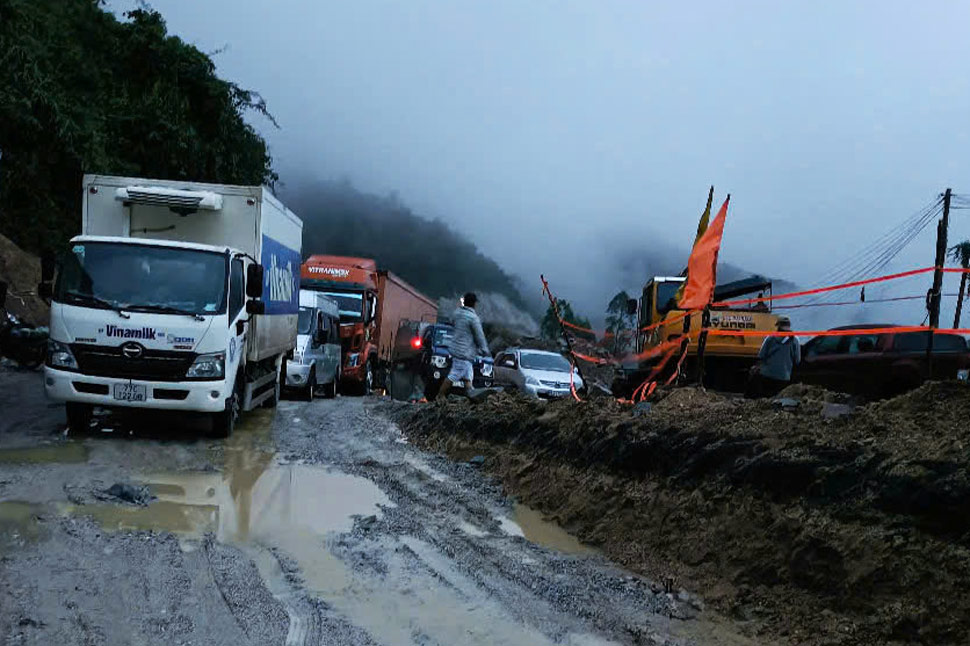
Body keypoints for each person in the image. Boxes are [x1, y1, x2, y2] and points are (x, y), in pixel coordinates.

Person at [437, 292, 490, 400]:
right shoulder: (473, 318)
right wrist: (484, 350)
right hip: (464, 352)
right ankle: (440, 395)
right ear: (474, 304)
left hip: (457, 349)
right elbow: (479, 335)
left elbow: (451, 322)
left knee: (467, 377)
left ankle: (472, 396)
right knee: (454, 375)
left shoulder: (457, 313)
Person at [747, 316, 801, 398]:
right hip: (784, 377)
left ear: (778, 326)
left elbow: (761, 355)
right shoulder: (795, 340)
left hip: (767, 375)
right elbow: (797, 360)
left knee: (764, 397)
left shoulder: (770, 337)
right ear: (789, 326)